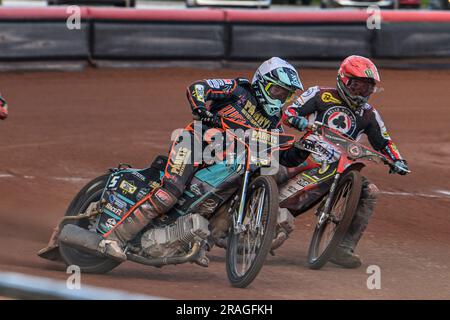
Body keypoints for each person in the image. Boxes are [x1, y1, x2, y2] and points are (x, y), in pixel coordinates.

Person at [100, 57, 309, 263]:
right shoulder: (238, 89)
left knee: (228, 201)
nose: (280, 97)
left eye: (286, 94)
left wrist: (302, 149)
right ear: (262, 82)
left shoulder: (274, 122)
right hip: (196, 144)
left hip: (225, 165)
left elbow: (282, 156)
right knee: (168, 194)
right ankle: (113, 238)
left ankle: (194, 240)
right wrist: (201, 110)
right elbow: (198, 87)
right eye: (277, 90)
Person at [282, 55, 410, 268]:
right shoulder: (319, 94)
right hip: (306, 153)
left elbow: (384, 142)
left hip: (340, 167)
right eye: (358, 86)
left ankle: (342, 246)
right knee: (271, 169)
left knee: (370, 192)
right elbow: (290, 113)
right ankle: (248, 206)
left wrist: (398, 160)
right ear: (344, 80)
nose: (362, 92)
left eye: (367, 88)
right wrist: (300, 122)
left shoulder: (370, 114)